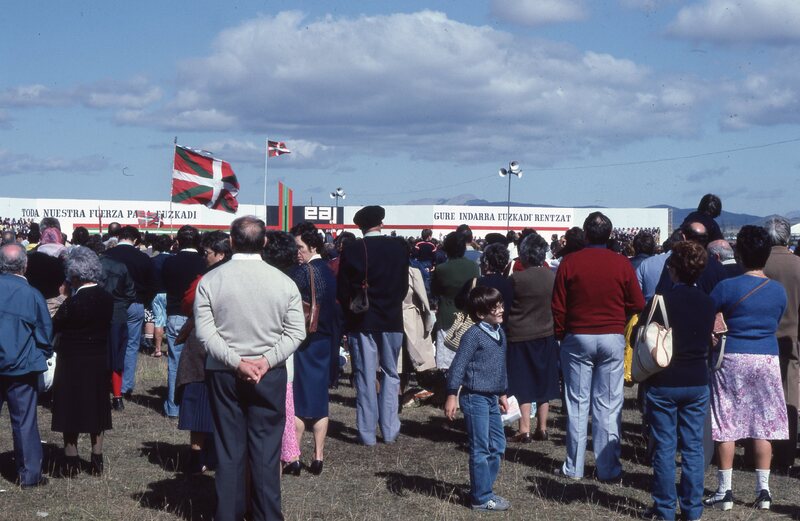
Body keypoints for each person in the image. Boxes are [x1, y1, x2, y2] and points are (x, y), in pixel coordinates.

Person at [194, 216, 305, 521]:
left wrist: (236, 362)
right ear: (264, 242)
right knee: (267, 451)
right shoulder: (283, 282)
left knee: (229, 449)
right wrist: (266, 360)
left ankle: (228, 514)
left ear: (231, 241)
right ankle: (266, 514)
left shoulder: (211, 280)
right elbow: (296, 332)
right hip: (269, 372)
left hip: (223, 371)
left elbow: (205, 333)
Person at [551, 211, 645, 481]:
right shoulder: (621, 263)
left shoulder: (570, 262)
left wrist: (562, 333)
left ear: (586, 234)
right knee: (609, 404)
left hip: (577, 336)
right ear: (610, 235)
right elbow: (637, 303)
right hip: (611, 336)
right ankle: (608, 468)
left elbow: (558, 304)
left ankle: (574, 467)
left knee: (578, 404)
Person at [705, 225, 789, 511]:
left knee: (726, 422)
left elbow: (709, 313)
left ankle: (724, 490)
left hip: (732, 356)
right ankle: (763, 490)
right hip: (766, 357)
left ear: (739, 254)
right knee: (763, 424)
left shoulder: (726, 287)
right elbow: (776, 320)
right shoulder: (778, 291)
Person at [639, 241, 715, 521]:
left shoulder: (661, 302)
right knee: (693, 447)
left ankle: (664, 509)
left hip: (665, 380)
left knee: (665, 446)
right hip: (697, 379)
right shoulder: (709, 303)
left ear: (673, 270)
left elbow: (640, 335)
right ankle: (692, 509)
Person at [337, 205, 408, 446]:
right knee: (391, 373)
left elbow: (343, 290)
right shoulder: (399, 247)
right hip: (392, 319)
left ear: (360, 226)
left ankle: (367, 433)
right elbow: (403, 286)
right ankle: (389, 429)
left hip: (362, 320)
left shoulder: (353, 249)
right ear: (381, 223)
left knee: (365, 376)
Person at [444, 286, 510, 511]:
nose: (501, 310)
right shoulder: (473, 335)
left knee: (498, 445)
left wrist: (502, 392)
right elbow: (458, 366)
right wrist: (451, 394)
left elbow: (500, 366)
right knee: (480, 447)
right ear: (481, 314)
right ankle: (481, 498)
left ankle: (483, 489)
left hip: (492, 397)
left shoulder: (500, 332)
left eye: (501, 305)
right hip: (475, 398)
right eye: (495, 307)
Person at [50, 246, 114, 476]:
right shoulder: (107, 298)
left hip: (72, 360)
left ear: (74, 275)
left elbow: (55, 325)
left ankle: (71, 459)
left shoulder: (72, 303)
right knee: (98, 406)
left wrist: (62, 299)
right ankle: (97, 458)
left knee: (70, 408)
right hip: (98, 358)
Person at [175, 231, 231, 474]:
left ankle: (197, 455)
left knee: (198, 399)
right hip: (230, 348)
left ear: (220, 254)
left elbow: (187, 303)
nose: (204, 257)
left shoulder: (205, 279)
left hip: (202, 347)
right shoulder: (236, 276)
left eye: (206, 253)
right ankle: (217, 455)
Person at [0, 242, 53, 488]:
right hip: (21, 367)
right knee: (24, 422)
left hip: (18, 364)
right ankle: (29, 475)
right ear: (25, 264)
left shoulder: (31, 293)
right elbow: (45, 334)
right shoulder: (32, 295)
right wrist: (41, 353)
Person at [289, 221, 338, 474]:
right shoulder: (328, 271)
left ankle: (294, 456)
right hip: (325, 340)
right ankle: (318, 456)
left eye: (300, 247)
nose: (297, 252)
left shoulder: (301, 272)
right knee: (319, 400)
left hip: (305, 341)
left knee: (298, 399)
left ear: (313, 246)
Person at [505, 234, 558, 443]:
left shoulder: (516, 279)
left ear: (524, 254)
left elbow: (506, 307)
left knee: (523, 383)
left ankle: (524, 429)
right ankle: (542, 428)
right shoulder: (551, 277)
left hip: (520, 335)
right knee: (544, 381)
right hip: (546, 333)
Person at [763, 216, 800, 472]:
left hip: (761, 339)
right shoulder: (798, 265)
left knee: (761, 398)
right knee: (789, 399)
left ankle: (759, 450)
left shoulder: (758, 264)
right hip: (792, 339)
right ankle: (785, 455)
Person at [104, 226, 155, 399]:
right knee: (132, 345)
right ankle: (125, 386)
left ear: (118, 237)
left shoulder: (107, 255)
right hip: (135, 303)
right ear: (136, 240)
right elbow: (151, 284)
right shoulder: (143, 258)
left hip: (111, 304)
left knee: (109, 343)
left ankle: (109, 381)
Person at [162, 226, 205, 418]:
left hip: (176, 315)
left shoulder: (170, 262)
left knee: (175, 361)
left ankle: (173, 406)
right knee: (199, 364)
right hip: (199, 317)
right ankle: (194, 405)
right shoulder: (204, 262)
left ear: (178, 242)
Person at [431, 231, 480, 369]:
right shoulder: (474, 267)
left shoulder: (441, 269)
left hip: (447, 315)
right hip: (469, 315)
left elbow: (435, 291)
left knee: (447, 359)